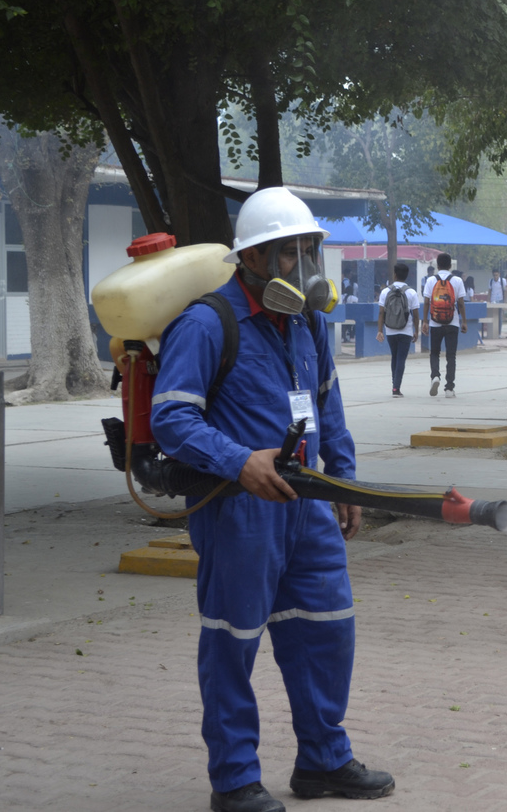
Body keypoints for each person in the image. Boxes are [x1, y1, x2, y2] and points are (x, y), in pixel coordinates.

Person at [151, 187, 394, 812]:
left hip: (307, 507)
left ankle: (323, 759)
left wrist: (345, 478)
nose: (303, 268)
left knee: (327, 631)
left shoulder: (307, 321)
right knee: (233, 641)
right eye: (289, 254)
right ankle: (234, 781)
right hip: (240, 511)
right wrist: (239, 460)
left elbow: (326, 403)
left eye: (308, 252)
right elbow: (172, 420)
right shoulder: (208, 323)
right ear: (253, 258)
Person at [421, 253, 468, 397]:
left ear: (437, 265)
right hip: (452, 322)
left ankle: (435, 376)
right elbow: (460, 303)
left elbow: (427, 302)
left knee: (434, 352)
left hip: (435, 323)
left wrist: (425, 321)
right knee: (451, 355)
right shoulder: (457, 280)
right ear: (450, 265)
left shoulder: (430, 280)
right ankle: (449, 388)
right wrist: (464, 321)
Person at [376, 262, 421, 397]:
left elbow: (381, 313)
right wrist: (416, 331)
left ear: (394, 274)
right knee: (401, 358)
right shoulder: (411, 292)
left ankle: (394, 384)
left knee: (394, 357)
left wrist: (380, 330)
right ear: (406, 276)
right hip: (406, 330)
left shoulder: (385, 291)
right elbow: (416, 315)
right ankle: (396, 388)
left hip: (390, 329)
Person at [463, 275, 484, 346]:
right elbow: (472, 300)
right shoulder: (470, 289)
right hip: (469, 306)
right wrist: (479, 301)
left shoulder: (464, 288)